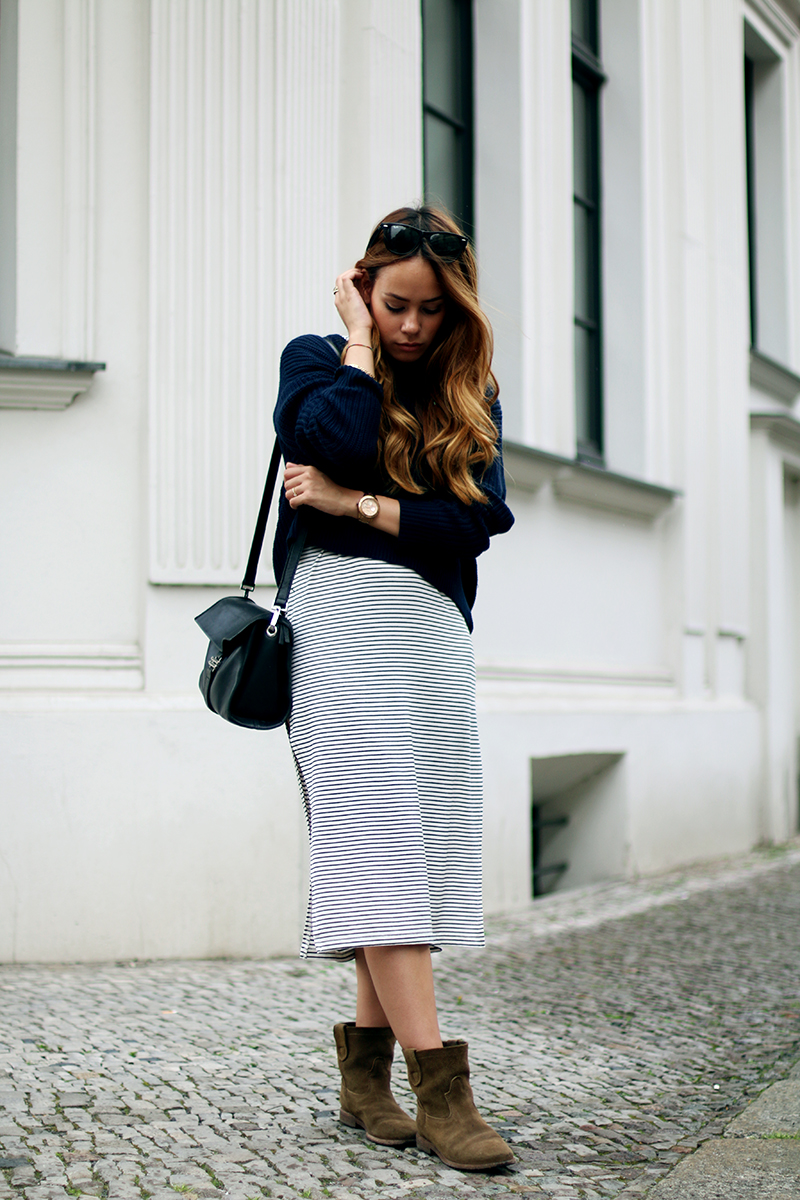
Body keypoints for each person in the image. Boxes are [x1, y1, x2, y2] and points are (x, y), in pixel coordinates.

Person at [272, 205, 515, 1173]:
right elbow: (325, 436)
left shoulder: (469, 387)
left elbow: (478, 521)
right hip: (338, 628)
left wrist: (354, 503)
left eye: (429, 309)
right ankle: (441, 1092)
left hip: (428, 635)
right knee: (377, 843)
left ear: (456, 308)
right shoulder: (316, 361)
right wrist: (359, 347)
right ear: (363, 290)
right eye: (394, 304)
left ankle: (363, 1078)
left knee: (412, 849)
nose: (412, 325)